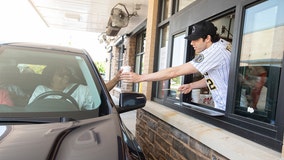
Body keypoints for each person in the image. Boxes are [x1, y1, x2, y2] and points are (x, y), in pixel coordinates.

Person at [121, 21, 231, 110]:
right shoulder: (221, 44)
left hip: (226, 110)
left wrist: (141, 78)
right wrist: (191, 85)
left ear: (207, 38)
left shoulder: (213, 53)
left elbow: (174, 72)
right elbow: (215, 77)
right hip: (224, 107)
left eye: (195, 39)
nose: (191, 43)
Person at [28, 65, 95, 110]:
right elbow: (31, 110)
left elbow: (98, 103)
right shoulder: (41, 90)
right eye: (61, 75)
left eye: (67, 74)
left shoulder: (80, 89)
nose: (66, 77)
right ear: (50, 77)